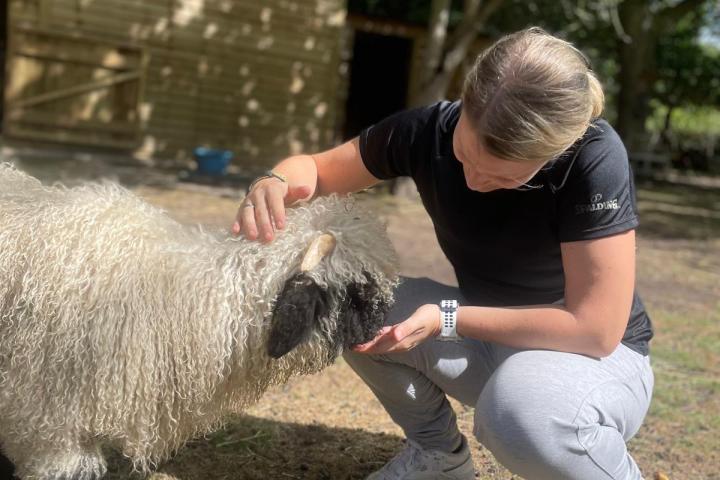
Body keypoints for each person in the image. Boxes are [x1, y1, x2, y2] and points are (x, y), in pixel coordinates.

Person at [232, 27, 654, 480]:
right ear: (465, 105)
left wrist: (445, 318)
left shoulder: (594, 157)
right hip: (489, 338)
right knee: (351, 306)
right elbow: (315, 170)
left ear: (557, 151)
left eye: (503, 179)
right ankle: (440, 457)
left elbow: (594, 330)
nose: (473, 180)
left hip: (593, 359)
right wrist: (272, 181)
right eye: (465, 155)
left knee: (519, 416)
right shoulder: (430, 129)